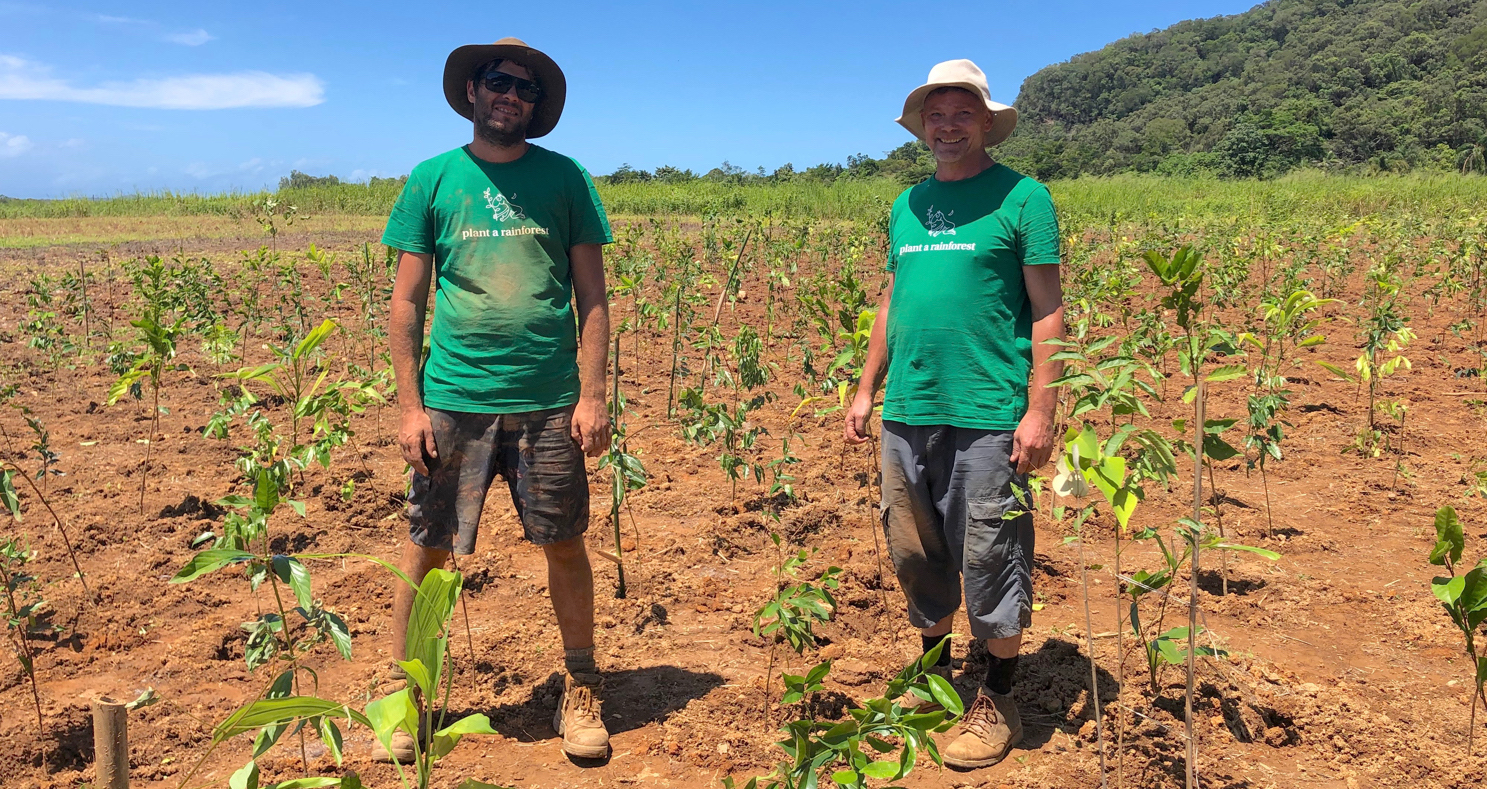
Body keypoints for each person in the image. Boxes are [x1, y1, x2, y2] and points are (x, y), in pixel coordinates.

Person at [378, 37, 614, 762]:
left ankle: (580, 686)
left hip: (548, 403)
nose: (511, 95)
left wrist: (593, 394)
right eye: (499, 82)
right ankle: (406, 695)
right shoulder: (432, 179)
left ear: (535, 108)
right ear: (473, 92)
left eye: (525, 89)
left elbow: (592, 296)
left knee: (564, 542)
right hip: (454, 400)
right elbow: (407, 302)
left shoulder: (565, 180)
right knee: (429, 549)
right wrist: (409, 406)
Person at [844, 58, 1066, 770]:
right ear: (921, 126)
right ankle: (934, 675)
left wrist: (1040, 410)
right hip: (908, 409)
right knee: (915, 552)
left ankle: (997, 695)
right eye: (934, 116)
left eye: (960, 114)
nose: (946, 127)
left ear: (984, 121)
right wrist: (865, 386)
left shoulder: (1023, 198)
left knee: (991, 558)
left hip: (987, 411)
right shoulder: (905, 204)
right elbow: (891, 300)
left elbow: (1048, 308)